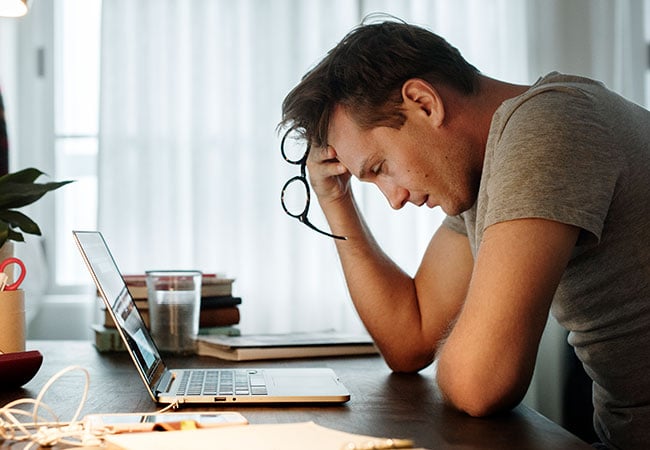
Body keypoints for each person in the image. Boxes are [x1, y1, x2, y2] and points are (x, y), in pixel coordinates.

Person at [278, 17, 650, 450]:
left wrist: (471, 347)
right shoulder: (485, 172)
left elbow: (481, 383)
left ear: (423, 102)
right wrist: (335, 199)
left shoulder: (550, 124)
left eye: (380, 168)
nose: (394, 199)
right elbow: (410, 340)